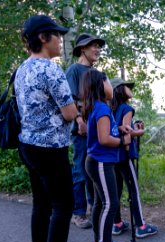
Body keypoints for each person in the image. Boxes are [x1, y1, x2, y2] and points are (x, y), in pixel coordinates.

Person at [15, 15, 89, 242]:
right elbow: (69, 113)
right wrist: (78, 113)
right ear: (43, 38)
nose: (60, 40)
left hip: (29, 146)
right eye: (56, 35)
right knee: (63, 205)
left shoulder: (22, 69)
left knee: (41, 205)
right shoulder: (50, 69)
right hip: (51, 148)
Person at [82, 70, 131, 242]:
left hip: (95, 161)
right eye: (109, 81)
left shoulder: (98, 107)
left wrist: (118, 128)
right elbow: (104, 139)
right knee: (111, 204)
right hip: (101, 162)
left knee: (100, 204)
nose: (112, 86)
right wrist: (123, 139)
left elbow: (103, 131)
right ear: (101, 86)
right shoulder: (102, 108)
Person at [65, 33, 106, 229]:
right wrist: (80, 120)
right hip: (81, 130)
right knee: (80, 170)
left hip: (98, 129)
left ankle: (94, 207)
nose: (97, 50)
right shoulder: (74, 70)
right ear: (83, 49)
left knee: (94, 170)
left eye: (99, 47)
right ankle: (78, 212)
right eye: (93, 46)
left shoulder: (97, 73)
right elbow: (69, 98)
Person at [110, 78, 158, 238]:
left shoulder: (110, 108)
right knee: (133, 190)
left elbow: (117, 129)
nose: (130, 88)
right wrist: (140, 132)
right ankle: (141, 226)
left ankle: (117, 224)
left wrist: (133, 129)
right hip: (125, 154)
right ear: (119, 90)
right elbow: (127, 132)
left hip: (112, 155)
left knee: (116, 190)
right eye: (126, 86)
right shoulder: (126, 108)